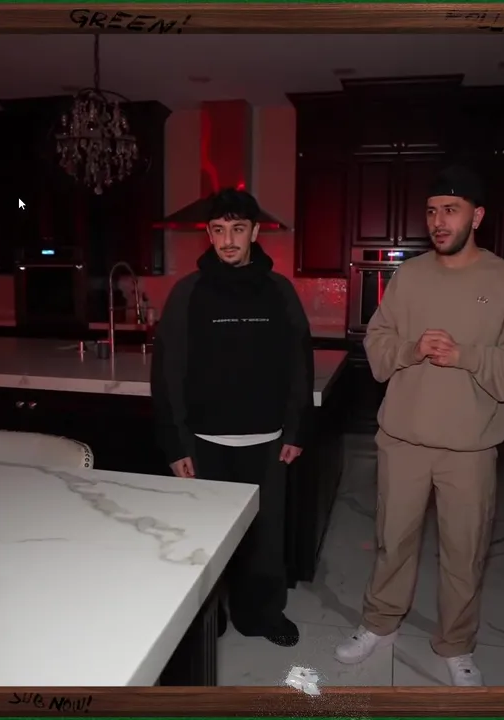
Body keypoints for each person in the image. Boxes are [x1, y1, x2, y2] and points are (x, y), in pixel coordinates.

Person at [334, 165, 504, 685]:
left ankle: (455, 643)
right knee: (392, 539)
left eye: (450, 210)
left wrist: (466, 355)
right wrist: (411, 348)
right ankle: (380, 623)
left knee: (464, 551)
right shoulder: (409, 275)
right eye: (431, 211)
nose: (438, 221)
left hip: (470, 447)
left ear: (477, 216)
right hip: (403, 438)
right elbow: (377, 340)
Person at [150, 187, 314, 647]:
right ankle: (210, 615)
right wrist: (175, 444)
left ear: (255, 232)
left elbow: (299, 365)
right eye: (219, 230)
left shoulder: (279, 292)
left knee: (265, 537)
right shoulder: (188, 293)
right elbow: (166, 374)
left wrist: (297, 428)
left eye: (237, 229)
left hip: (267, 441)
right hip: (205, 443)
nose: (228, 240)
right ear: (208, 233)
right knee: (205, 538)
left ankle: (261, 614)